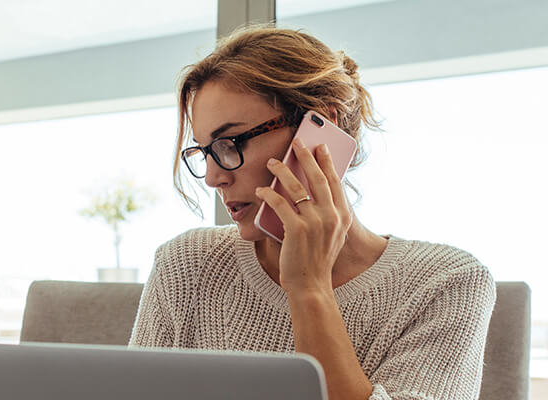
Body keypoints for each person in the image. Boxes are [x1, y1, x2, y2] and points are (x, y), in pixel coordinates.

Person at [129, 25, 495, 400]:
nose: (213, 177)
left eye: (229, 143)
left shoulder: (447, 283)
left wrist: (309, 288)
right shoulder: (188, 264)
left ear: (320, 127)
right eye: (204, 151)